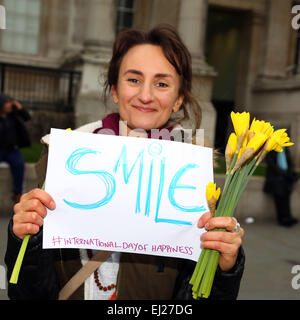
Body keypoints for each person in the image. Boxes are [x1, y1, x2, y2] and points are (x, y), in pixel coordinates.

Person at [5, 24, 245, 300]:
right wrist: (25, 238)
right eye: (133, 79)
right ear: (115, 89)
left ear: (178, 99)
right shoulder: (63, 161)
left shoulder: (194, 184)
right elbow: (26, 293)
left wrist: (224, 268)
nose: (145, 95)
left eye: (162, 83)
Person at [0, 94, 31, 203]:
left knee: (19, 164)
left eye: (10, 103)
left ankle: (17, 194)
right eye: (7, 103)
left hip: (12, 150)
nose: (9, 105)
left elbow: (27, 117)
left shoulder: (14, 116)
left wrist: (19, 107)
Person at [264, 147, 299, 227]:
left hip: (285, 179)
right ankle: (282, 219)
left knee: (286, 198)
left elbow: (289, 162)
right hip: (276, 179)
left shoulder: (285, 148)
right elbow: (271, 163)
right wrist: (283, 173)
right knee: (279, 199)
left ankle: (288, 217)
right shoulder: (272, 148)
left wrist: (290, 173)